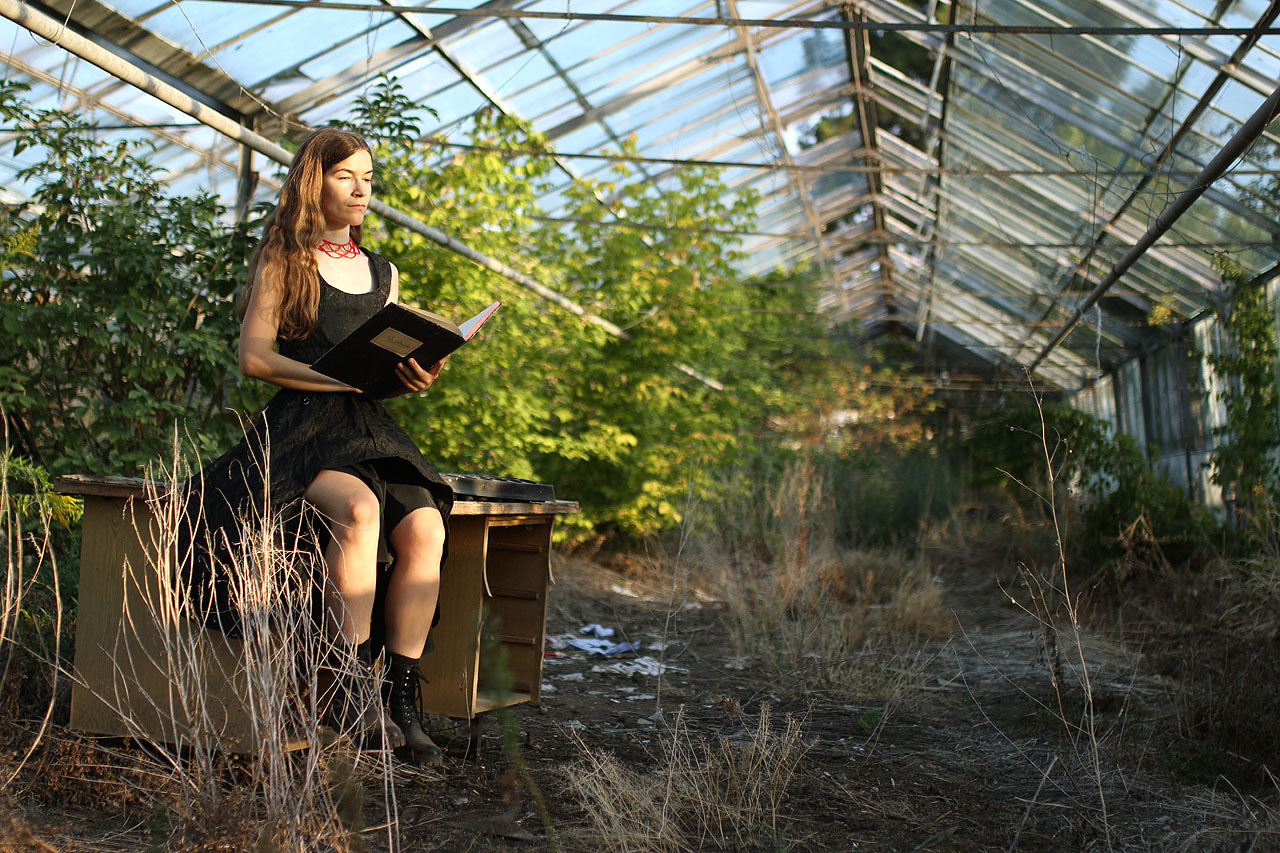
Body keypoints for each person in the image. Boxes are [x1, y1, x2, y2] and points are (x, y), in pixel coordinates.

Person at [182, 127, 452, 765]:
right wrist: (335, 378)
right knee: (359, 510)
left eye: (367, 178)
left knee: (426, 527)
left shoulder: (384, 272)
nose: (361, 190)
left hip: (369, 426)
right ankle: (349, 694)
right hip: (302, 427)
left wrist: (417, 376)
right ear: (314, 182)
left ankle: (401, 699)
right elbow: (254, 359)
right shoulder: (285, 260)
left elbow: (382, 366)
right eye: (345, 176)